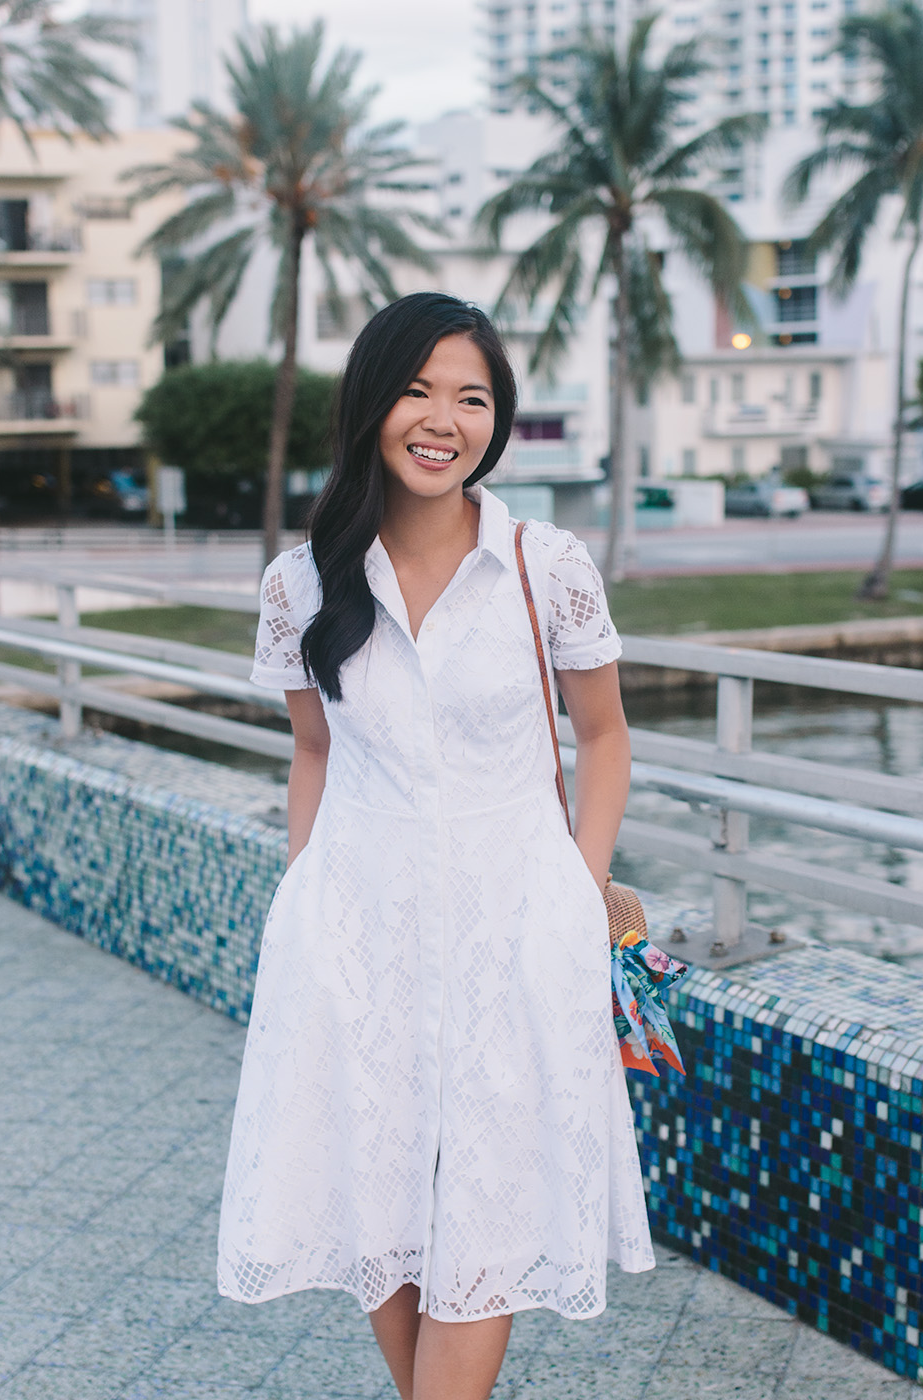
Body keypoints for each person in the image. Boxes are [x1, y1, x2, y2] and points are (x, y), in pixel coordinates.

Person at [217, 292, 655, 1400]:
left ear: (494, 420)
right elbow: (312, 751)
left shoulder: (541, 564)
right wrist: (302, 901)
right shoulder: (301, 583)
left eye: (471, 396)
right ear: (372, 402)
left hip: (515, 922)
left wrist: (579, 883)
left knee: (488, 1209)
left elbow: (603, 738)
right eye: (417, 389)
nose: (442, 418)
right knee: (384, 1199)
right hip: (357, 925)